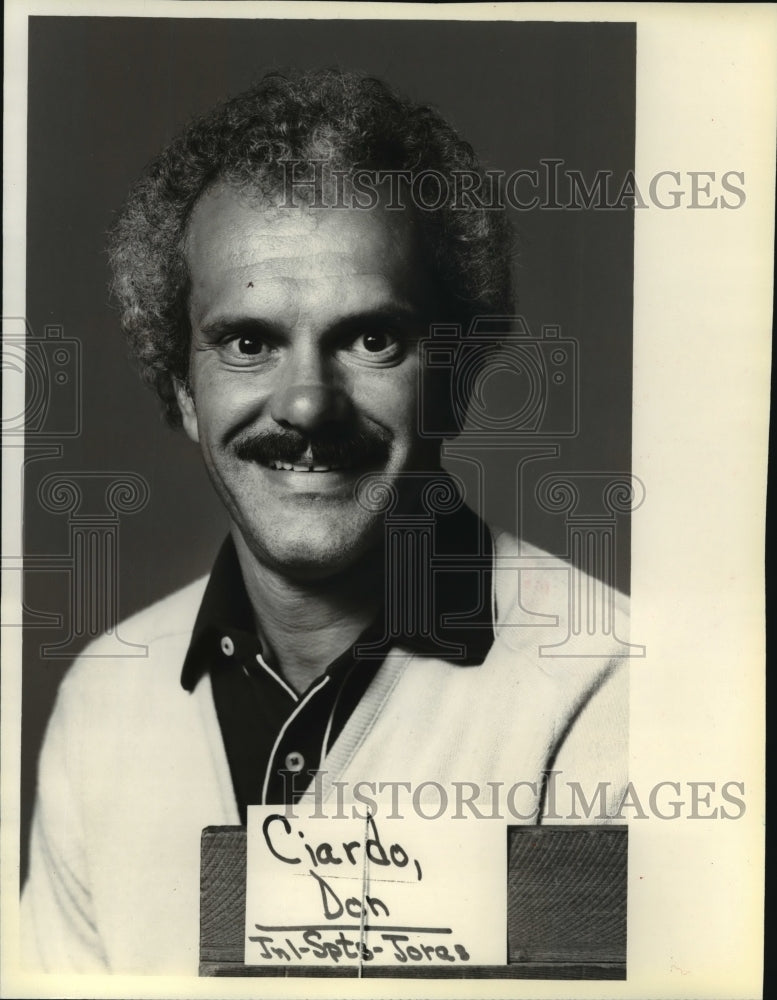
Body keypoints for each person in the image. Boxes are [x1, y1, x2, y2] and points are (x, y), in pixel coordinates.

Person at [21, 69, 628, 974]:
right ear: (185, 390)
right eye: (248, 341)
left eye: (370, 339)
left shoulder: (608, 688)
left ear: (454, 380)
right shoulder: (104, 704)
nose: (307, 403)